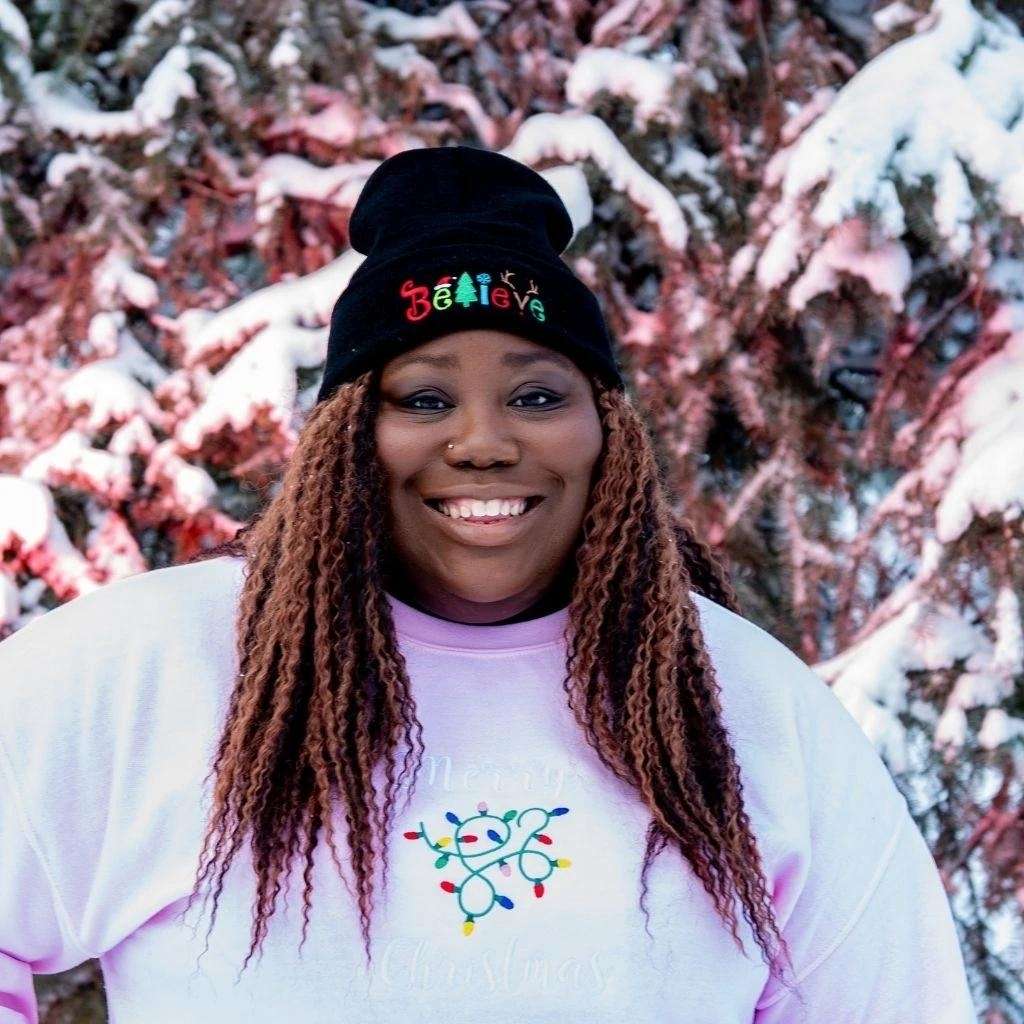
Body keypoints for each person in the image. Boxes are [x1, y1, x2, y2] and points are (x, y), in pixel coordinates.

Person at [0, 146, 976, 1024]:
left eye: (537, 394)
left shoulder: (748, 705)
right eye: (423, 396)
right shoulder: (147, 667)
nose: (481, 441)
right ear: (346, 435)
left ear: (607, 434)